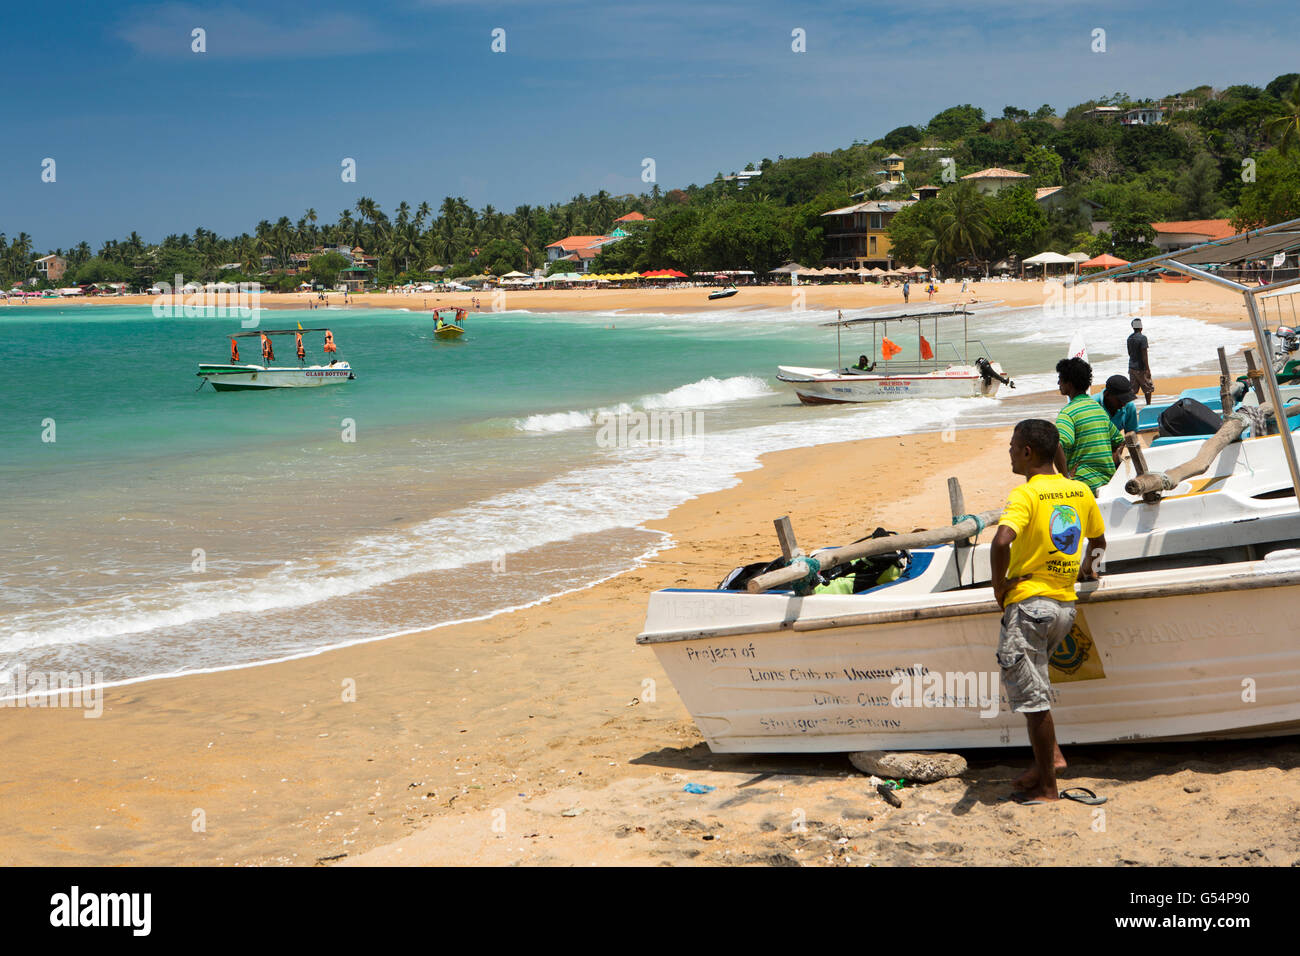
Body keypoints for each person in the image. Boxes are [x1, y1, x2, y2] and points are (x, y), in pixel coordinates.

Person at [991, 419, 1107, 804]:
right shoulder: (1079, 490)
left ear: (1027, 452)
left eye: (1012, 445)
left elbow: (1001, 541)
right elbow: (1098, 540)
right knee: (1035, 685)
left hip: (1029, 606)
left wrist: (1000, 588)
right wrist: (1089, 569)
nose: (1009, 451)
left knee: (1034, 700)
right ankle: (1049, 761)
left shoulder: (1026, 495)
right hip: (1064, 607)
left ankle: (1048, 789)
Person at [1053, 357, 1124, 495]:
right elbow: (1119, 440)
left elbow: (1058, 444)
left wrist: (1065, 478)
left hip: (1082, 486)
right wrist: (1110, 461)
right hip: (1107, 482)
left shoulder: (1068, 413)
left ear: (1070, 383)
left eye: (1060, 378)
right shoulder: (1098, 409)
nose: (1058, 383)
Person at [1127, 318, 1154, 406]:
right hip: (1141, 368)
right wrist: (1148, 369)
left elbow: (1129, 353)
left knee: (1133, 390)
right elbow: (1144, 356)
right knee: (1148, 389)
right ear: (1141, 327)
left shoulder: (1129, 338)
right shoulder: (1143, 338)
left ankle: (1128, 407)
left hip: (1131, 367)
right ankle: (1148, 405)